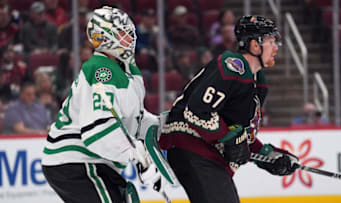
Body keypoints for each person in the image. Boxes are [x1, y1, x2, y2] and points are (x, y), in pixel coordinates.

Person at [159, 15, 299, 203]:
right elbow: (198, 110)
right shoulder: (232, 65)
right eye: (270, 41)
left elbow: (238, 134)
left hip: (209, 155)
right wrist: (228, 140)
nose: (275, 48)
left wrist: (269, 155)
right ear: (255, 45)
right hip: (191, 148)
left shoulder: (259, 83)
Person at [41, 6, 162, 203]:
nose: (130, 38)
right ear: (105, 39)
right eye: (123, 34)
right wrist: (134, 154)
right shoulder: (101, 69)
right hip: (76, 161)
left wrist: (163, 125)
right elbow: (97, 127)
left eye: (130, 32)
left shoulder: (128, 71)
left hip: (92, 161)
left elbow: (134, 120)